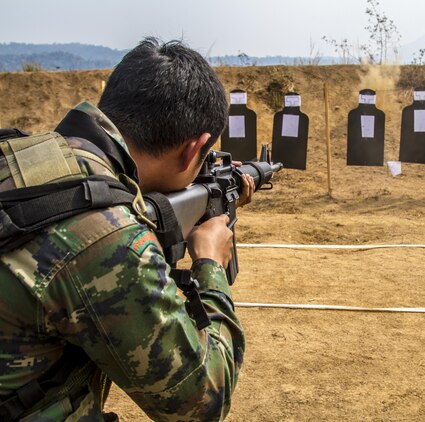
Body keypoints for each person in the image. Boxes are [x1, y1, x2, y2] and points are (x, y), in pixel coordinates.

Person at [0, 37, 253, 421]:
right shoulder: (105, 237)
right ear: (193, 149)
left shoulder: (25, 155)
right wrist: (211, 262)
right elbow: (201, 404)